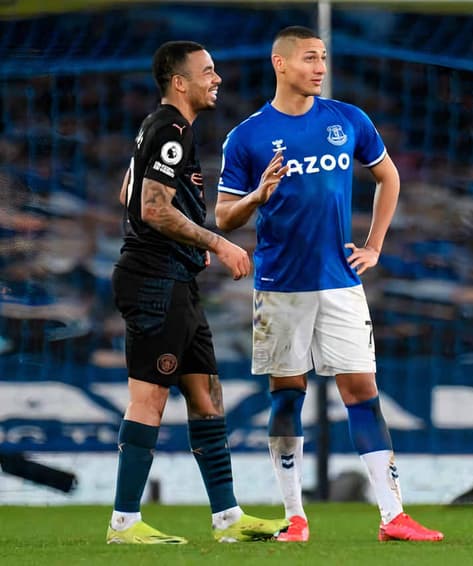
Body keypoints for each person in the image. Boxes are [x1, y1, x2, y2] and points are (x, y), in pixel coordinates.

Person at [214, 26, 443, 543]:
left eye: (323, 59)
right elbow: (224, 217)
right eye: (310, 59)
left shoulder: (348, 120)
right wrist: (257, 196)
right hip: (280, 285)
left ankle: (393, 517)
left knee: (362, 390)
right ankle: (295, 517)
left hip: (340, 282)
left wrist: (375, 244)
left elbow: (389, 177)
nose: (319, 67)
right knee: (287, 394)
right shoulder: (247, 136)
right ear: (280, 63)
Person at [108, 40, 287, 544]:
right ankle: (123, 522)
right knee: (149, 401)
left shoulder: (159, 127)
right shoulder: (169, 129)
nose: (218, 79)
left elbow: (127, 191)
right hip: (153, 279)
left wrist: (190, 242)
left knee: (206, 396)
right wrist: (217, 243)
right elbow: (149, 206)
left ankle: (228, 518)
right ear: (180, 81)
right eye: (208, 71)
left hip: (176, 277)